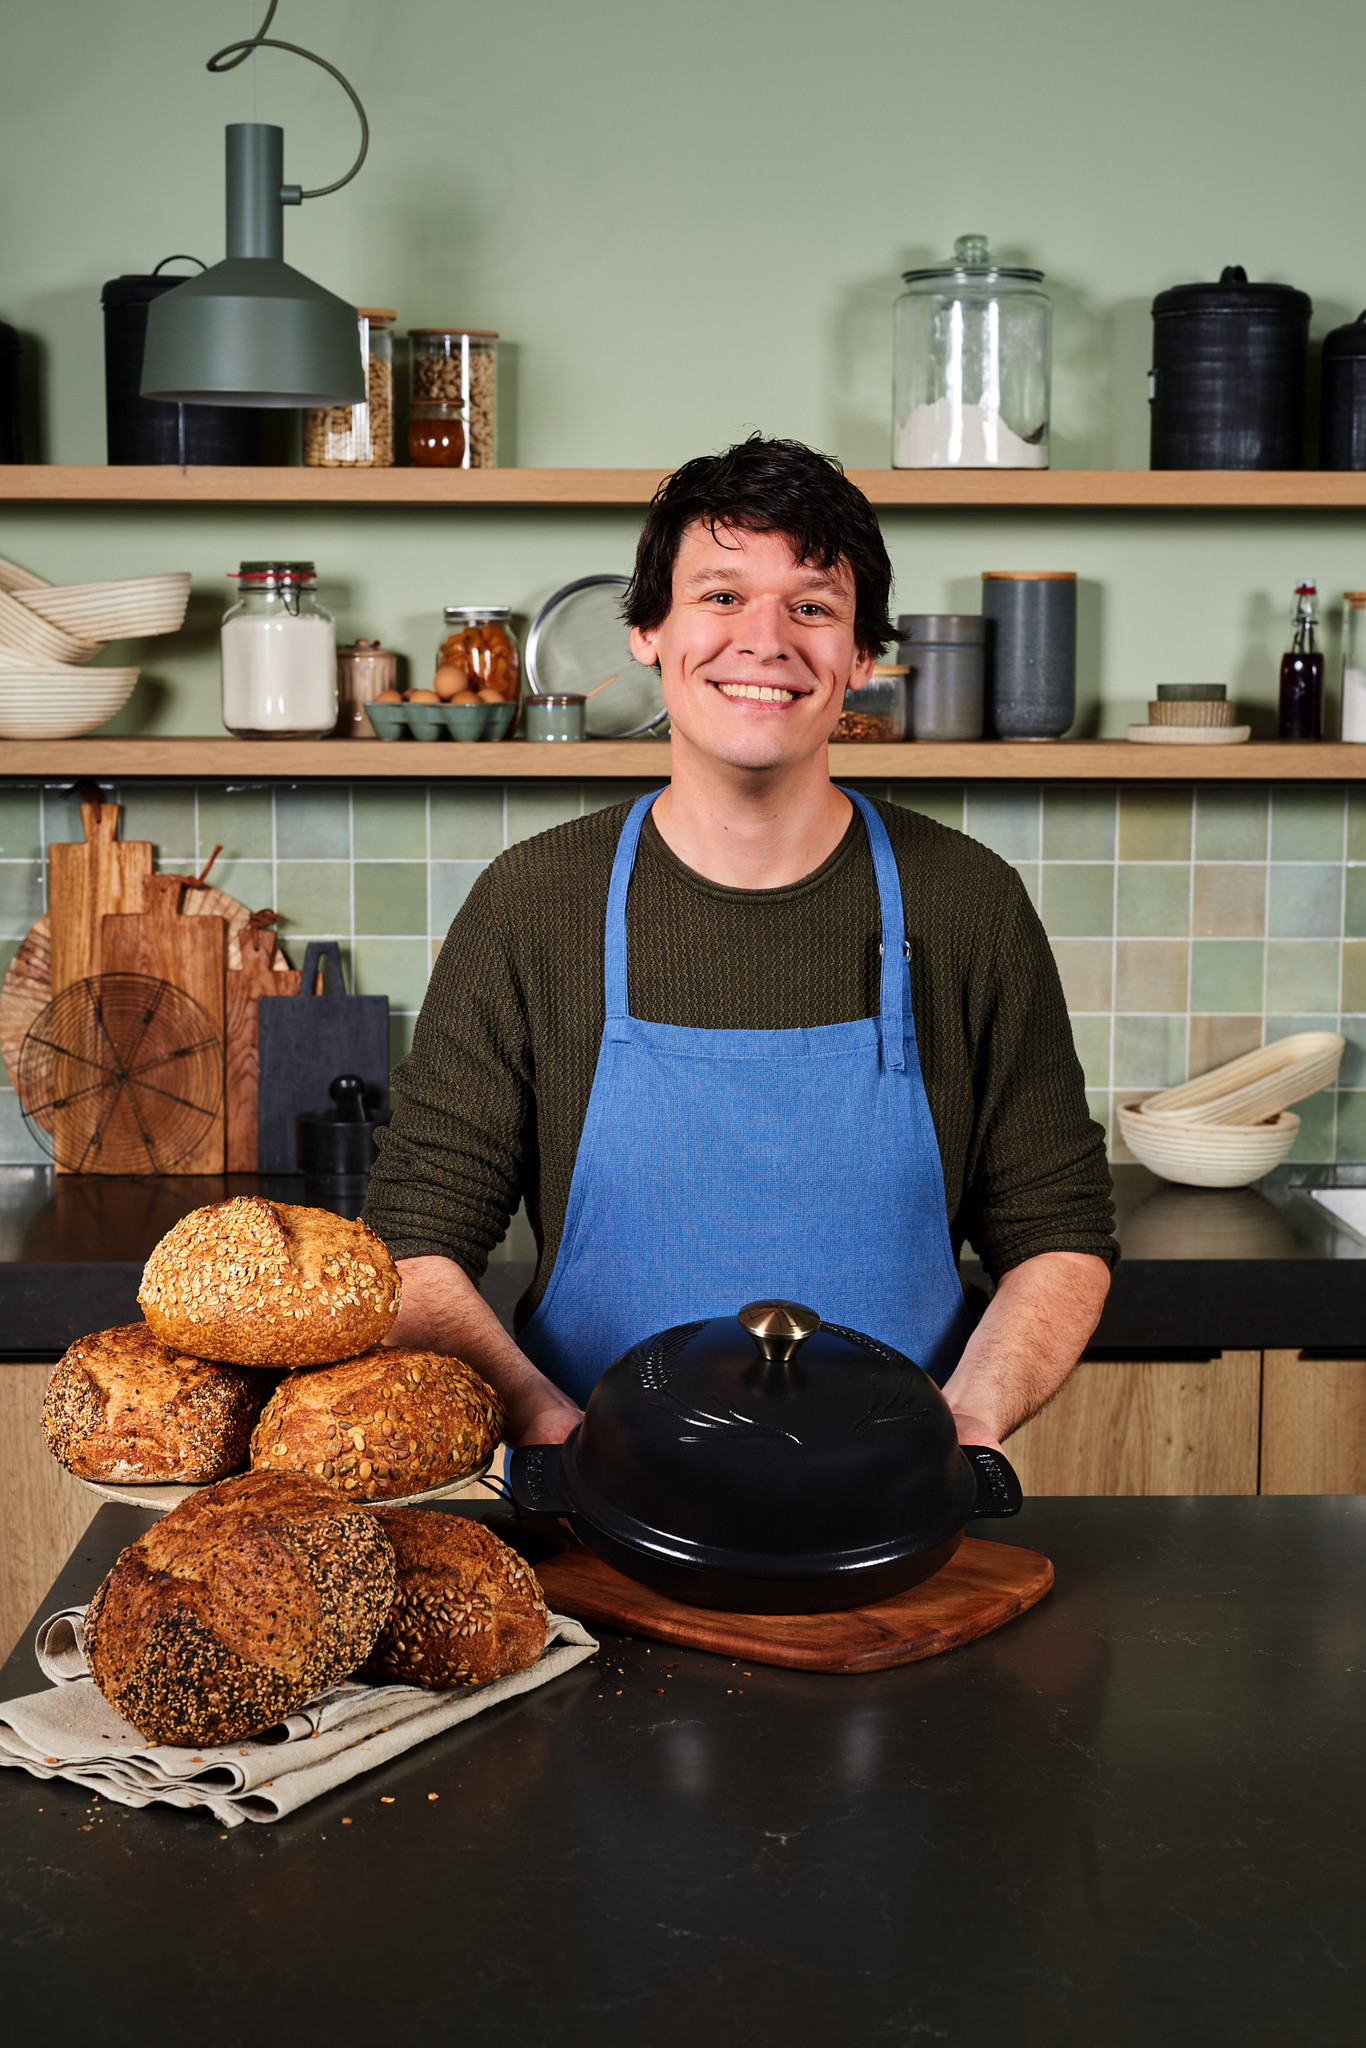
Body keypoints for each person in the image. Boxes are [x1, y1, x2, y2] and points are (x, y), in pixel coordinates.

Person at [364, 436, 1115, 1455]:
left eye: (812, 607)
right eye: (721, 596)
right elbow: (413, 1241)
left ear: (861, 656)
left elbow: (1058, 1230)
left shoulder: (968, 901)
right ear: (648, 630)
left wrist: (972, 1420)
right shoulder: (534, 904)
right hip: (595, 1501)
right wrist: (542, 1421)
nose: (765, 641)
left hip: (891, 1499)